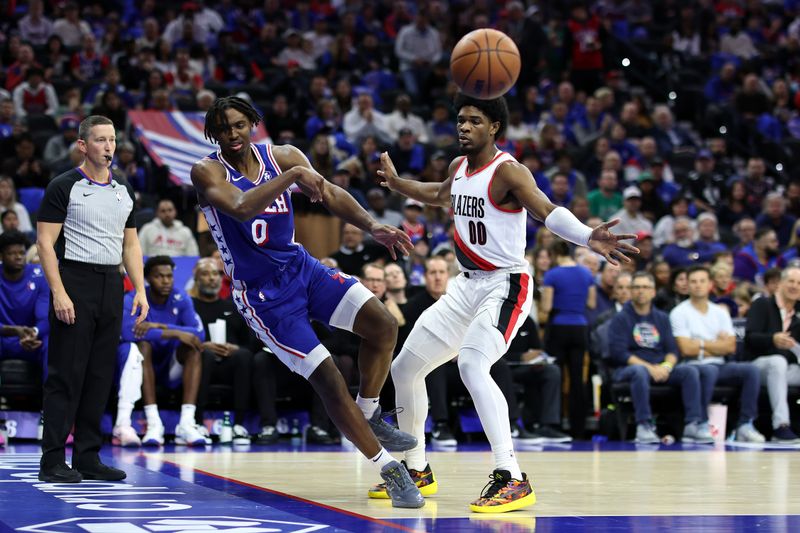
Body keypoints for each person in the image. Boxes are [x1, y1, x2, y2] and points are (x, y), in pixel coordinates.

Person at [375, 93, 636, 513]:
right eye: (460, 120)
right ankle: (418, 468)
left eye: (474, 120)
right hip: (464, 286)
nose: (463, 127)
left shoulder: (509, 171)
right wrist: (398, 182)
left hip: (505, 284)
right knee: (405, 367)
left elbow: (548, 211)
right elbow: (439, 194)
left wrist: (589, 236)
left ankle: (511, 476)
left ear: (494, 126)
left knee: (472, 365)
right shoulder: (459, 167)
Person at [190, 96, 422, 508]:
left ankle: (369, 412)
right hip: (263, 296)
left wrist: (373, 227)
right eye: (223, 128)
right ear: (213, 134)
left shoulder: (280, 155)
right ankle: (389, 468)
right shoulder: (206, 171)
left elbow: (328, 193)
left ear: (253, 124)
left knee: (383, 324)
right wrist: (295, 173)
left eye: (240, 125)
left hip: (302, 268)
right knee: (329, 377)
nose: (233, 134)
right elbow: (242, 208)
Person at [36, 115, 148, 483]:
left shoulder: (124, 190)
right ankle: (52, 459)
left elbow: (130, 244)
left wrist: (141, 290)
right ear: (83, 145)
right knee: (66, 374)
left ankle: (87, 456)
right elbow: (44, 244)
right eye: (100, 140)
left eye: (112, 140)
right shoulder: (63, 185)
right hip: (75, 279)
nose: (109, 147)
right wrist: (59, 292)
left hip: (111, 284)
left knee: (100, 375)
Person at [607, 272, 711, 444]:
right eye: (637, 287)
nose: (641, 291)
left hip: (659, 368)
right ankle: (644, 425)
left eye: (646, 287)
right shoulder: (620, 318)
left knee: (690, 371)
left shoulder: (662, 318)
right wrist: (650, 368)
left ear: (653, 292)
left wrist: (666, 367)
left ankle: (693, 424)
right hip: (628, 369)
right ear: (631, 291)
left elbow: (672, 350)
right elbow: (620, 353)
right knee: (639, 372)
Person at [669, 266, 765, 443]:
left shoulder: (720, 312)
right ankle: (700, 423)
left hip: (720, 365)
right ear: (687, 285)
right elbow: (686, 349)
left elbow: (730, 347)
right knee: (708, 370)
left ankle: (745, 424)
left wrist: (700, 344)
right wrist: (715, 343)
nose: (698, 285)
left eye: (702, 281)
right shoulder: (679, 312)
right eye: (693, 281)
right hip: (692, 366)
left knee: (751, 370)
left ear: (710, 285)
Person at [125, 256, 207, 447]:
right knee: (143, 346)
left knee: (193, 348)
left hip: (171, 368)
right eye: (159, 276)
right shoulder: (133, 298)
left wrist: (160, 326)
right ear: (147, 279)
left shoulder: (181, 298)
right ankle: (154, 424)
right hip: (144, 368)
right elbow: (128, 332)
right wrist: (174, 332)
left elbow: (199, 334)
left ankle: (186, 423)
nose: (166, 281)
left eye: (169, 276)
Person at [192, 257, 257, 445]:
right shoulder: (190, 306)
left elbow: (251, 343)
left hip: (231, 364)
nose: (212, 278)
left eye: (216, 274)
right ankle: (197, 422)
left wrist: (236, 348)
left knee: (244, 355)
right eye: (205, 274)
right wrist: (204, 345)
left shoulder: (234, 306)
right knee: (204, 355)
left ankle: (238, 424)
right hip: (202, 362)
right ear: (196, 280)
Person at [539, 239, 596, 439]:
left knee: (556, 376)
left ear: (554, 254)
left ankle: (554, 424)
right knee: (577, 379)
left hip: (559, 328)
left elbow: (546, 307)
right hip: (580, 328)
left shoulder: (552, 275)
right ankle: (577, 428)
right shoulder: (586, 273)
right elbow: (591, 302)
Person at [743, 265, 800, 442]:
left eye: (799, 283)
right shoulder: (762, 304)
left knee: (781, 364)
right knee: (777, 362)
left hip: (783, 368)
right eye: (791, 281)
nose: (795, 286)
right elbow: (750, 338)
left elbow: (793, 353)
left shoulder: (798, 315)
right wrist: (772, 339)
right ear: (780, 283)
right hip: (756, 367)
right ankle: (780, 426)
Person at [0, 231, 49, 379]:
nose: (18, 257)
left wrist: (34, 332)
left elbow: (44, 316)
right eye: (11, 253)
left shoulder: (39, 275)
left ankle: (49, 400)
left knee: (52, 343)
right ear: (1, 256)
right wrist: (14, 331)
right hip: (2, 339)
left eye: (21, 252)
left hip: (31, 341)